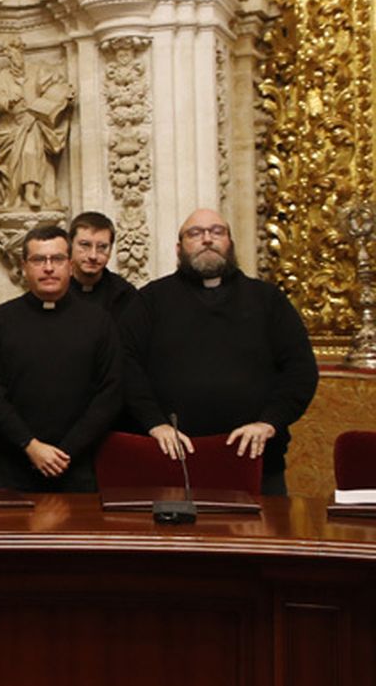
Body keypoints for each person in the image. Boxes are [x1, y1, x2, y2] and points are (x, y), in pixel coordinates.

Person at [124, 208, 318, 495]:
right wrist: (155, 424)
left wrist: (269, 422)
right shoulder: (150, 300)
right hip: (171, 463)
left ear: (230, 244)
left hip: (257, 462)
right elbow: (125, 366)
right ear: (179, 248)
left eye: (217, 232)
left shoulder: (268, 300)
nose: (207, 239)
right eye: (195, 233)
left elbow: (301, 370)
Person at [0, 224, 121, 492]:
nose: (48, 267)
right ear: (24, 266)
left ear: (69, 264)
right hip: (13, 468)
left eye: (56, 259)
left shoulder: (99, 321)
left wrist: (65, 452)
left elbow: (110, 394)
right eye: (38, 259)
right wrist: (30, 445)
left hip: (76, 467)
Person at [0, 44, 75, 210]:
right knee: (20, 149)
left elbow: (58, 86)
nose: (14, 61)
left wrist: (35, 111)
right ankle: (15, 195)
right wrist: (8, 100)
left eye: (15, 56)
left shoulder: (37, 71)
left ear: (21, 54)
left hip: (35, 122)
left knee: (29, 147)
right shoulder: (5, 76)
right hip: (13, 124)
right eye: (10, 57)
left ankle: (30, 191)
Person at [67, 211, 140, 318]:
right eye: (85, 245)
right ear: (70, 246)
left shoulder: (124, 294)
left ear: (110, 250)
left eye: (102, 247)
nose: (93, 256)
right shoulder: (55, 288)